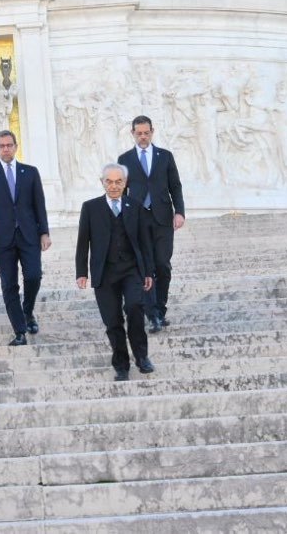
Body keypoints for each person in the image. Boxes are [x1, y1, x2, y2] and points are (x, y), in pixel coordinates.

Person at [74, 164, 155, 380]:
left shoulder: (135, 206)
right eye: (109, 181)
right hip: (105, 273)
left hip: (131, 270)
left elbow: (145, 242)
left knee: (135, 308)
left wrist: (148, 272)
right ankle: (121, 365)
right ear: (102, 183)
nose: (113, 186)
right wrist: (81, 272)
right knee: (112, 321)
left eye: (118, 181)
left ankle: (141, 356)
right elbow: (83, 242)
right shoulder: (90, 208)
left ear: (125, 183)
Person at [0, 129, 50, 345]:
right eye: (1, 146)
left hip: (29, 236)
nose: (6, 149)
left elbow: (39, 204)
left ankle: (27, 312)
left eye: (9, 145)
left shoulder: (30, 172)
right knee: (9, 285)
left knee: (34, 276)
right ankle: (19, 330)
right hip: (2, 240)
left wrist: (44, 232)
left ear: (16, 147)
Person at [118, 116, 185, 332]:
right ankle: (153, 314)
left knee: (162, 264)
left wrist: (180, 212)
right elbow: (120, 191)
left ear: (152, 131)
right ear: (133, 133)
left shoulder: (165, 157)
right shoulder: (125, 159)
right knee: (144, 268)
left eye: (146, 133)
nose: (143, 136)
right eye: (139, 133)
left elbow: (175, 186)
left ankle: (160, 308)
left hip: (163, 218)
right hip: (137, 219)